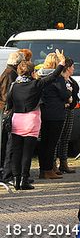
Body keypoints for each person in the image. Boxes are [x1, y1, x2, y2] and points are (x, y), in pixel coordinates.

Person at [6, 50, 65, 190]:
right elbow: (53, 77)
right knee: (27, 152)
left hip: (16, 120)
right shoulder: (35, 84)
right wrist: (61, 62)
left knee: (16, 151)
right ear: (32, 73)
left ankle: (16, 179)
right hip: (31, 120)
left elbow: (9, 104)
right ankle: (24, 180)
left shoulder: (13, 86)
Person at [37, 52, 72, 179]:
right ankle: (48, 169)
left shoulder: (40, 75)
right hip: (56, 113)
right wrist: (69, 93)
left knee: (44, 142)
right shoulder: (57, 78)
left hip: (44, 112)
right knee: (51, 143)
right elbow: (63, 95)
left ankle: (43, 169)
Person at [0, 51, 25, 184]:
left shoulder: (9, 73)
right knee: (9, 146)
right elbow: (5, 96)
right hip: (8, 114)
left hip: (8, 113)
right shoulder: (9, 75)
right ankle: (7, 174)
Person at [53, 58, 79, 174]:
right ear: (68, 67)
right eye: (72, 66)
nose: (73, 69)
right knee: (57, 138)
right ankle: (53, 163)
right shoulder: (60, 80)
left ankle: (64, 162)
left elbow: (75, 94)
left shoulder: (72, 81)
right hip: (61, 110)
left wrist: (72, 102)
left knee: (66, 137)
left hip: (70, 110)